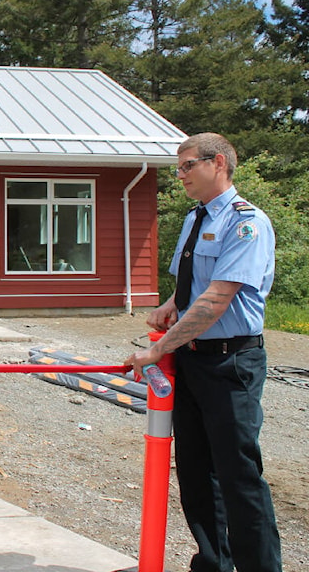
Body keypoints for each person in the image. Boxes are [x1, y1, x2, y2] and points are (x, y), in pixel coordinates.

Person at [125, 133, 281, 572]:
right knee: (195, 474)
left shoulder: (245, 222)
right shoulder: (196, 218)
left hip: (230, 362)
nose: (180, 176)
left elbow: (217, 300)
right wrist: (170, 307)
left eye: (187, 166)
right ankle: (213, 564)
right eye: (178, 168)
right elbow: (191, 288)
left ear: (218, 164)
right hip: (194, 359)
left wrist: (157, 352)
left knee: (239, 476)